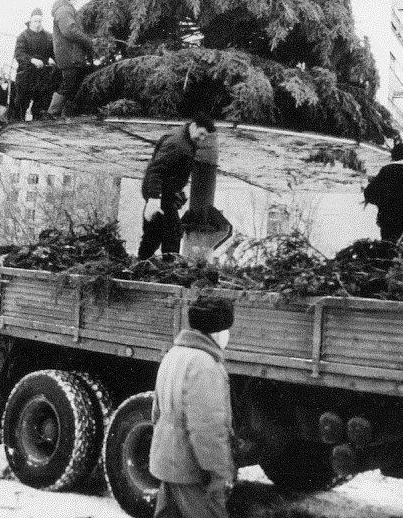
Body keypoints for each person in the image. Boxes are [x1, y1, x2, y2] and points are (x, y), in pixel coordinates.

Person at [150, 293, 235, 518]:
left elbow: (156, 412)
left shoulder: (174, 354)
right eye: (227, 329)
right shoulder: (205, 365)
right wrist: (217, 472)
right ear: (218, 332)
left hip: (168, 464)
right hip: (192, 471)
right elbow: (206, 427)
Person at [138, 114, 216, 260]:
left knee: (159, 233)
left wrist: (178, 191)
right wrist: (154, 199)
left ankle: (146, 265)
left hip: (165, 193)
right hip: (160, 195)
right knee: (169, 233)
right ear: (193, 126)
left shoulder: (186, 139)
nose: (202, 139)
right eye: (201, 134)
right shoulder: (177, 143)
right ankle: (158, 267)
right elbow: (157, 170)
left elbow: (174, 170)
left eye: (205, 136)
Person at [47, 0, 95, 118]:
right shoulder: (65, 10)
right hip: (70, 55)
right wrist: (87, 40)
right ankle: (52, 113)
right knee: (68, 84)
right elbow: (69, 30)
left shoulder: (63, 9)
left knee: (71, 84)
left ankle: (65, 114)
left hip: (69, 54)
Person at [12, 8, 56, 120]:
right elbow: (19, 54)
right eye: (35, 21)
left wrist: (52, 60)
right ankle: (16, 126)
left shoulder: (48, 36)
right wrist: (32, 60)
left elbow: (53, 52)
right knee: (21, 103)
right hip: (26, 74)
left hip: (43, 75)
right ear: (30, 22)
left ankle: (38, 125)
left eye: (39, 21)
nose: (37, 24)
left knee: (41, 103)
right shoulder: (23, 36)